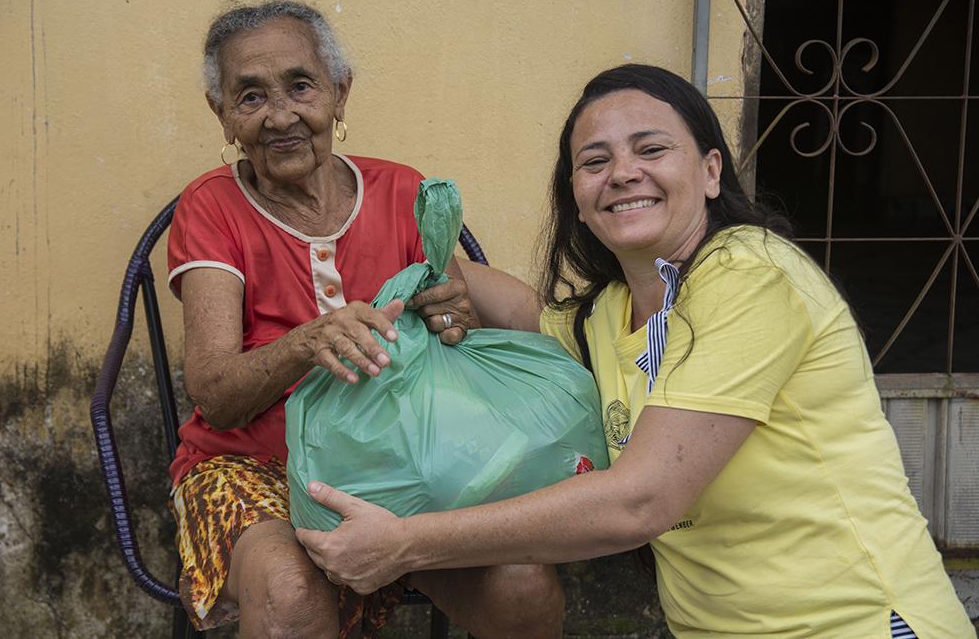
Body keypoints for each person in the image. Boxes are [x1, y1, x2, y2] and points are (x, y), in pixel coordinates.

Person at [296, 64, 976, 638]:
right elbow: (530, 312)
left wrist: (407, 541)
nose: (622, 172)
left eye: (651, 150)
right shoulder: (613, 313)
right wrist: (440, 275)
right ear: (580, 201)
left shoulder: (751, 275)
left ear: (711, 171)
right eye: (595, 162)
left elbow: (640, 501)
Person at [167, 0, 564, 638]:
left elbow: (457, 339)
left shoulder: (405, 191)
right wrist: (307, 342)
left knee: (523, 586)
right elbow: (216, 395)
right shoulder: (211, 208)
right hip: (252, 466)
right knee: (293, 595)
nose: (280, 115)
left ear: (339, 92)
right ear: (223, 114)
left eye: (301, 85)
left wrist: (455, 317)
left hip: (406, 461)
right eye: (250, 96)